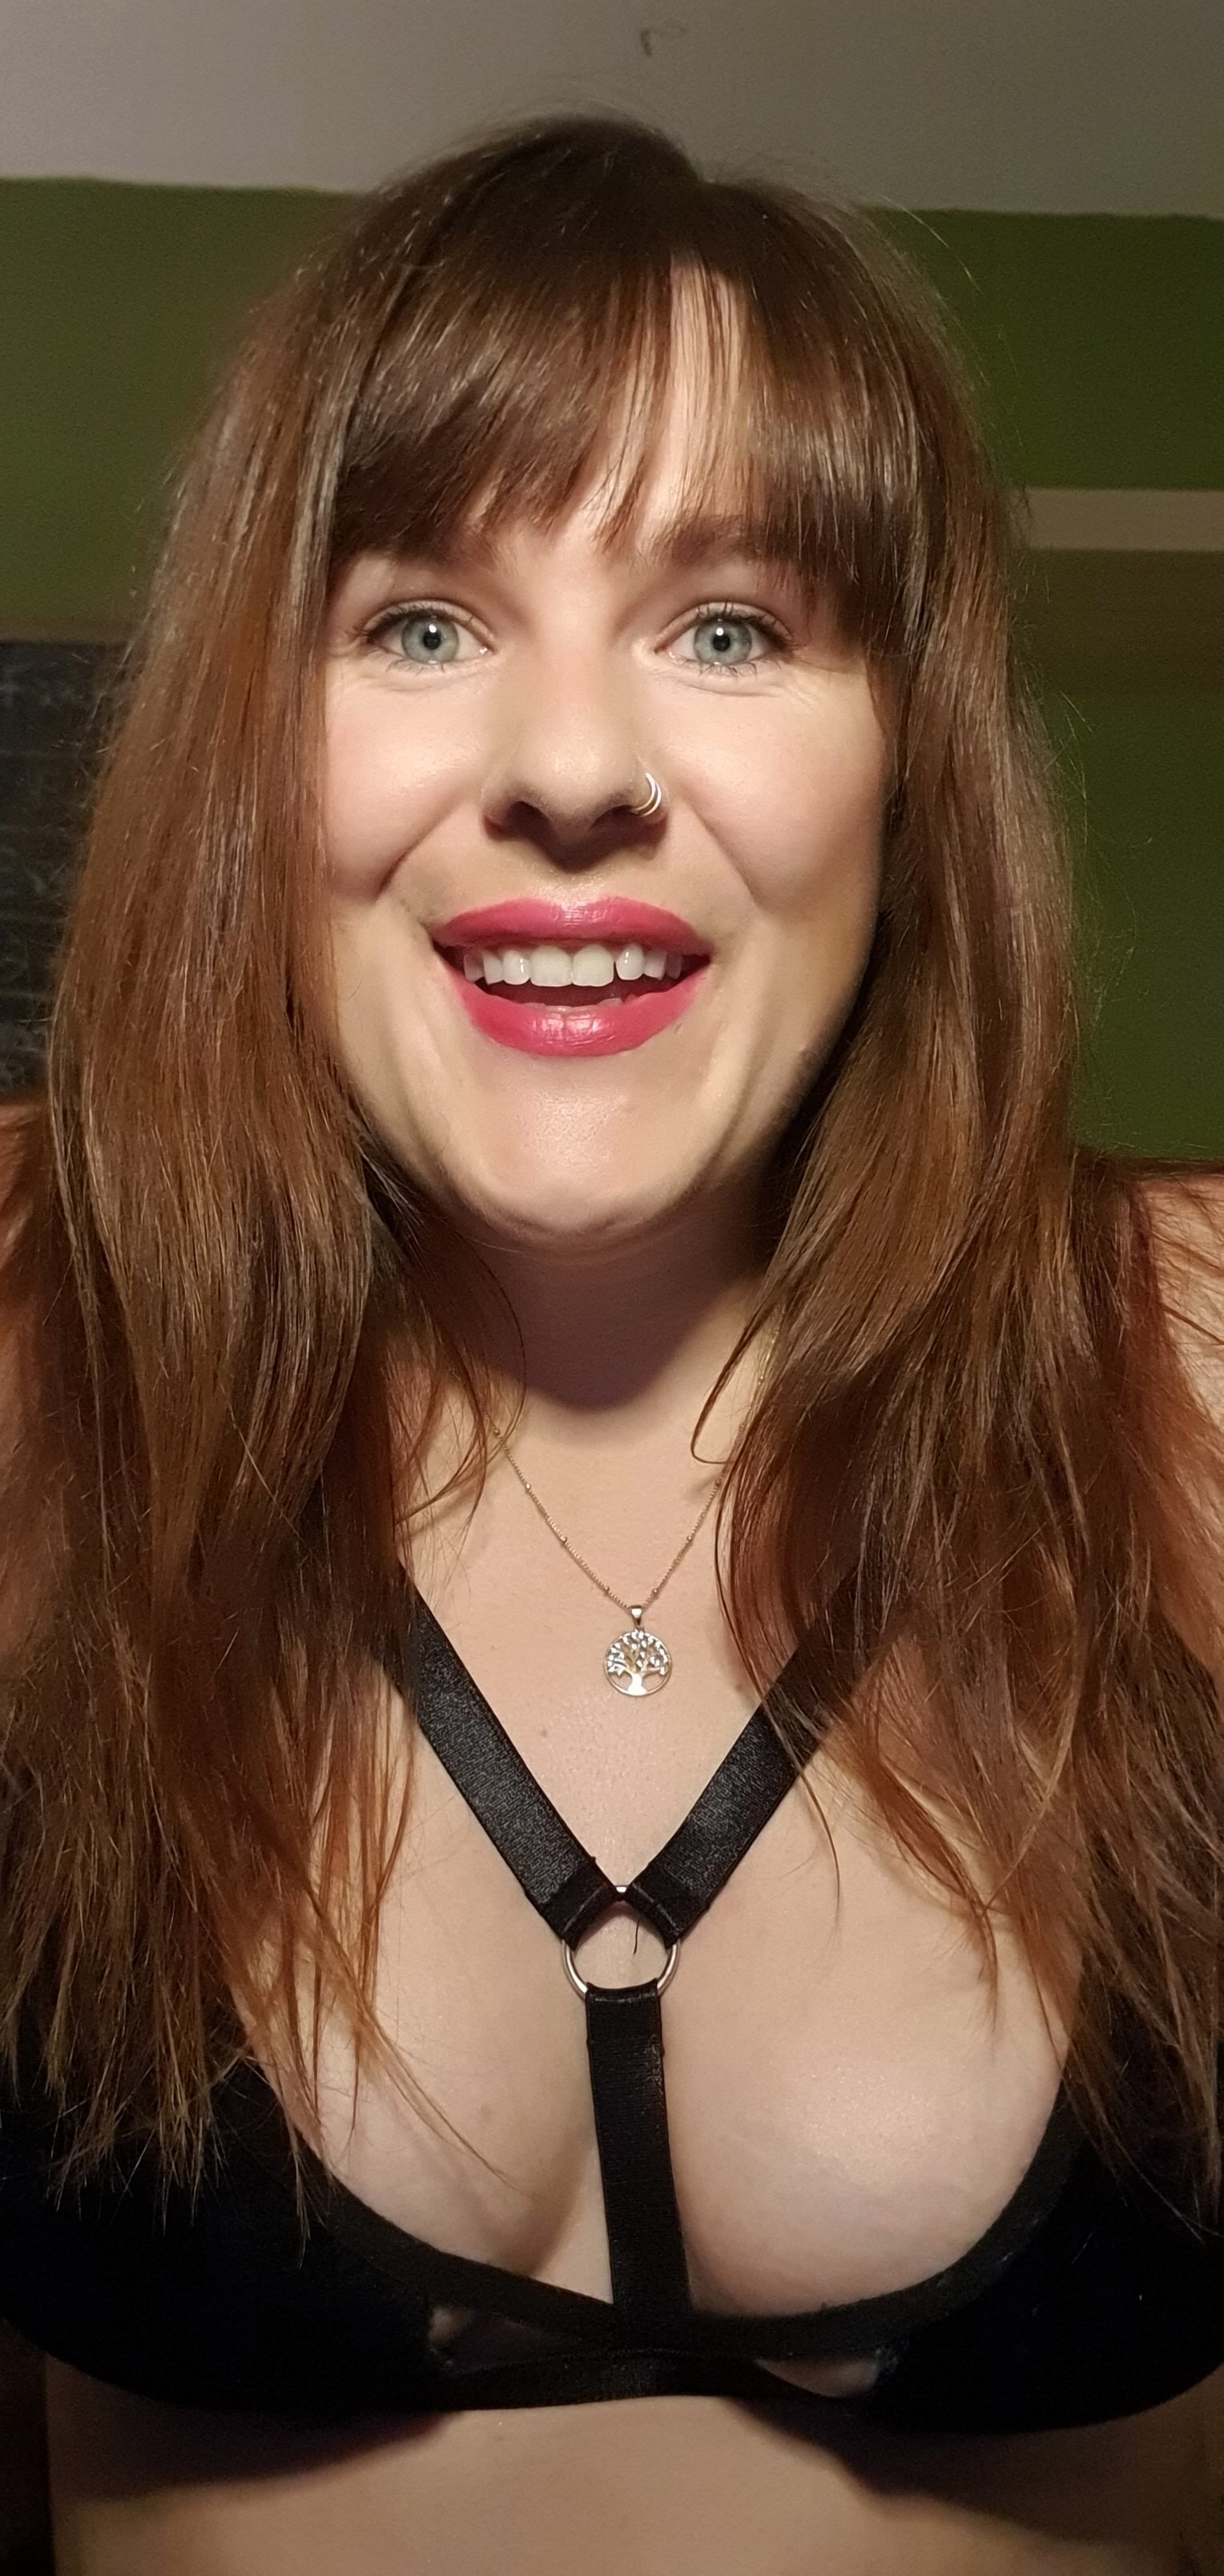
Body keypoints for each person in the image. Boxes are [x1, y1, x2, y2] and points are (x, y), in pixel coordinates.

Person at [0, 107, 1222, 2576]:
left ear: (913, 757)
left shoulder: (1187, 1367)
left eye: (731, 626)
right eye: (419, 625)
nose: (570, 770)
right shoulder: (39, 1331)